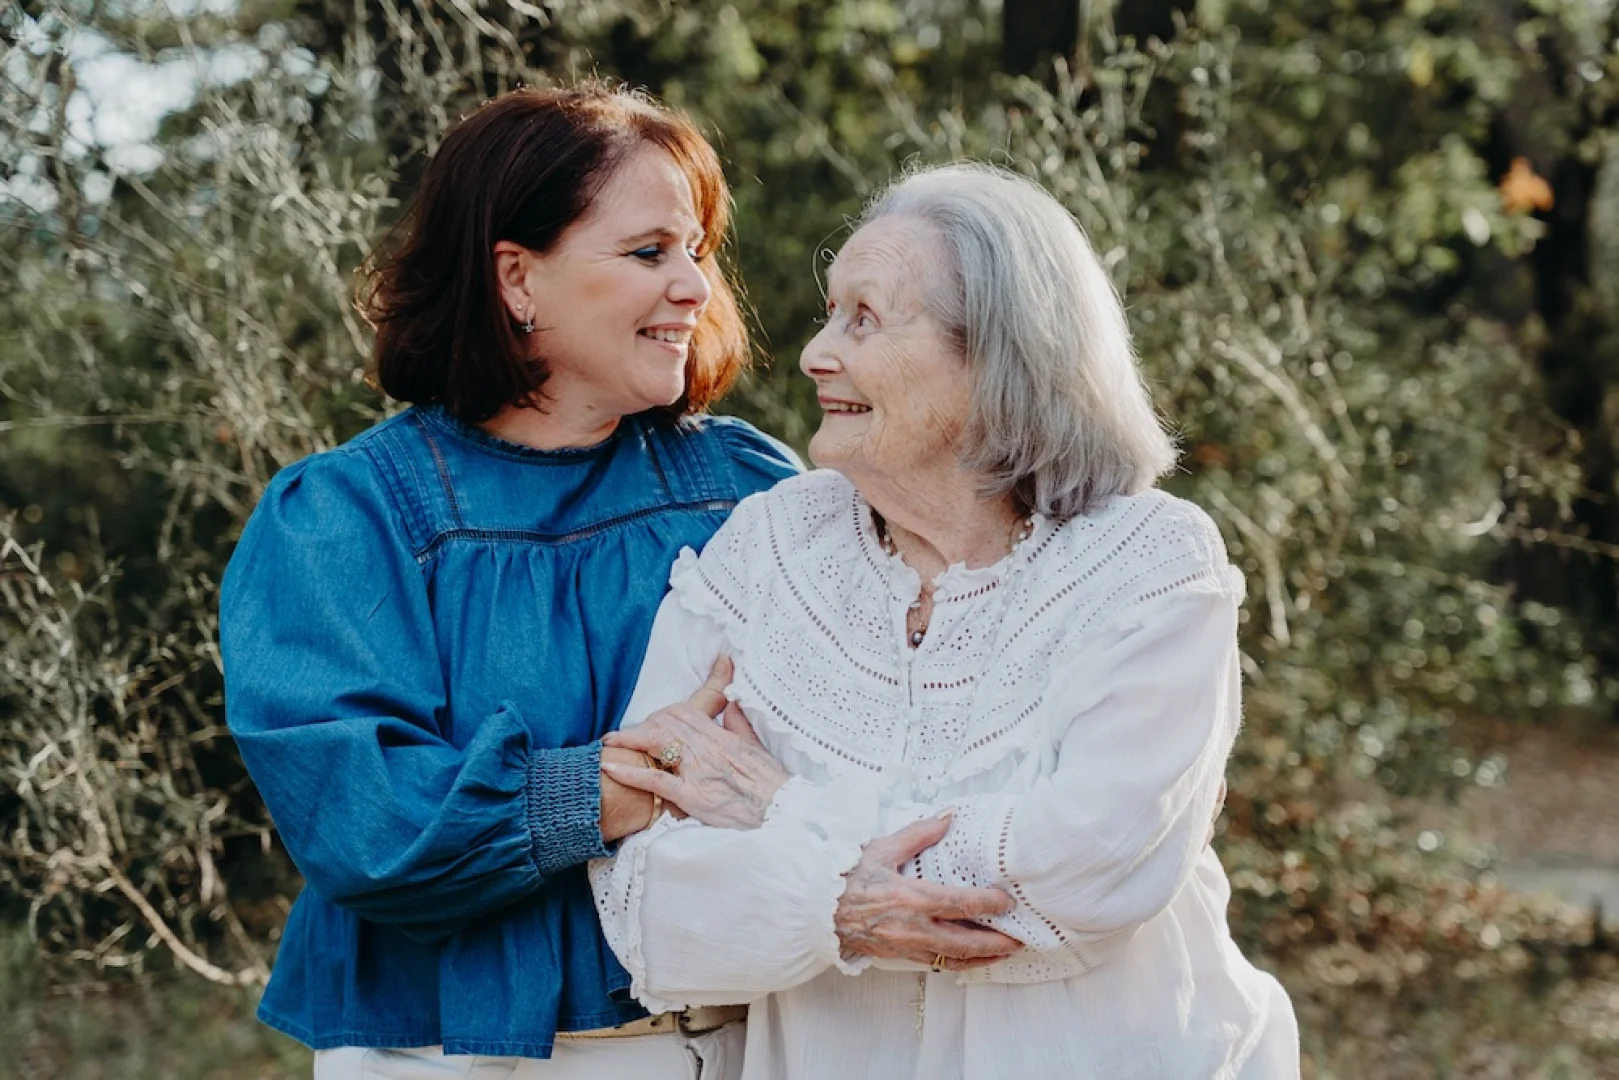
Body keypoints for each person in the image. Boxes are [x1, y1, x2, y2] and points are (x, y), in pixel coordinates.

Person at [219, 86, 1018, 1080]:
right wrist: (609, 787)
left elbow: (898, 717)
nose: (694, 286)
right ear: (516, 279)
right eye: (648, 253)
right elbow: (364, 822)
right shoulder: (346, 518)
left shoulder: (750, 486)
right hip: (451, 1059)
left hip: (742, 1045)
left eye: (695, 250)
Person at [590, 163, 1302, 1079]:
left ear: (1002, 356)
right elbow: (648, 908)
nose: (814, 354)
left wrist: (784, 817)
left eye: (864, 318)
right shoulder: (765, 548)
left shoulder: (1148, 562)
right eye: (827, 314)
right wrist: (847, 897)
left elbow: (1088, 875)